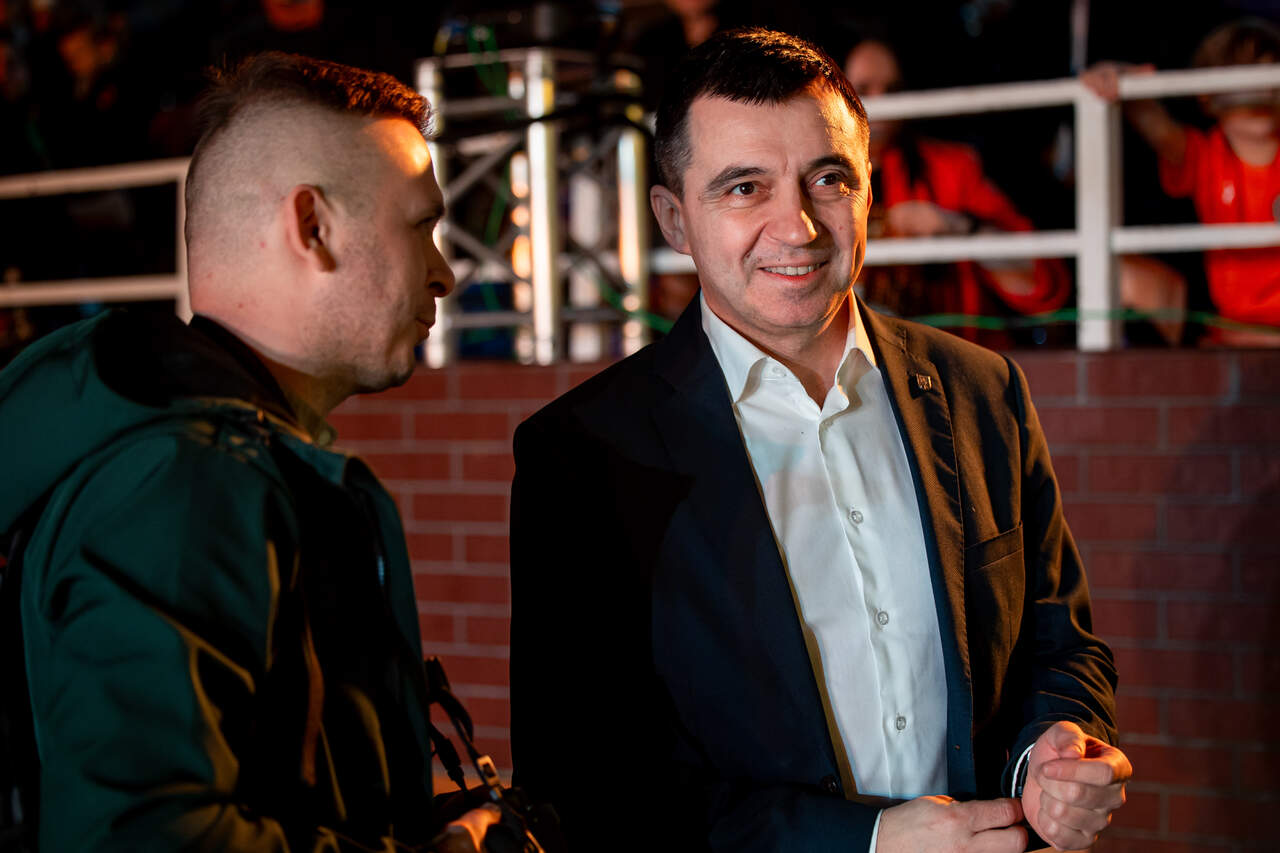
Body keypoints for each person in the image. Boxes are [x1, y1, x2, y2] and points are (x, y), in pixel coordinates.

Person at [509, 28, 1130, 853]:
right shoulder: (584, 454)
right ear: (675, 219)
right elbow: (585, 784)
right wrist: (865, 840)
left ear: (869, 188)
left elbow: (1060, 641)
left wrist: (1051, 751)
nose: (797, 226)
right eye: (744, 188)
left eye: (828, 179)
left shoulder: (984, 391)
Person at [0, 52, 518, 852]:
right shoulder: (185, 480)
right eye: (420, 226)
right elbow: (147, 838)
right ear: (312, 227)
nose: (444, 273)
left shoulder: (206, 460)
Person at [842, 37, 1071, 347]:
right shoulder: (812, 176)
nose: (880, 102)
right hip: (845, 358)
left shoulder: (951, 169)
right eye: (864, 89)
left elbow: (1043, 285)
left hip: (946, 355)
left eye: (892, 90)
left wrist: (957, 226)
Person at [1083, 17, 1280, 346]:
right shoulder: (1204, 157)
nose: (1261, 93)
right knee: (1116, 270)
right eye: (1244, 77)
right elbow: (1153, 124)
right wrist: (1114, 75)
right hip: (1230, 331)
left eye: (1269, 75)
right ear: (1208, 96)